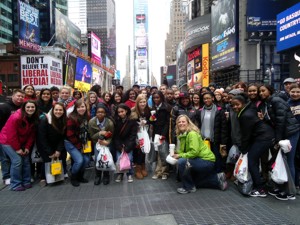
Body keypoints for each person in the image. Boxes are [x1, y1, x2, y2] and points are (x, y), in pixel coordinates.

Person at [259, 84, 300, 200]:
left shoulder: (276, 100)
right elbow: (276, 120)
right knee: (284, 160)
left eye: (263, 91)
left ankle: (290, 191)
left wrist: (278, 139)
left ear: (269, 91)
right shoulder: (269, 102)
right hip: (286, 133)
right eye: (260, 91)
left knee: (289, 160)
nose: (261, 93)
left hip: (290, 133)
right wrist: (265, 119)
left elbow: (281, 122)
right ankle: (283, 187)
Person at [231, 94, 274, 197]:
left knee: (251, 161)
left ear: (243, 104)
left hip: (263, 138)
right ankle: (260, 183)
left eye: (237, 104)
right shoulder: (247, 110)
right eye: (233, 105)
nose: (235, 107)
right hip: (265, 136)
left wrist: (243, 149)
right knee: (254, 161)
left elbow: (246, 135)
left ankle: (260, 189)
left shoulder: (245, 115)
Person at [172, 115, 227, 194]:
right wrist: (176, 154)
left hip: (207, 161)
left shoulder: (192, 134)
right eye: (179, 122)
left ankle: (189, 188)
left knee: (182, 162)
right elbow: (183, 152)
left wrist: (179, 156)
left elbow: (194, 152)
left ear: (188, 123)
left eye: (183, 121)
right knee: (193, 181)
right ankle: (217, 179)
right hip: (198, 160)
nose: (181, 123)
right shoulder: (182, 135)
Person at [0, 100, 39, 191]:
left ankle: (26, 181)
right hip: (7, 141)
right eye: (28, 107)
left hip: (21, 141)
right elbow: (11, 134)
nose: (30, 109)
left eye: (32, 107)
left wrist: (27, 147)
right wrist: (17, 149)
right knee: (17, 160)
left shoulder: (34, 118)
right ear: (24, 108)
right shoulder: (16, 117)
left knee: (26, 159)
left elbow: (31, 135)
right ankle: (15, 184)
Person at [36, 103, 67, 186]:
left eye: (60, 110)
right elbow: (42, 138)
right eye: (56, 110)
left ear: (64, 111)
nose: (58, 111)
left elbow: (62, 137)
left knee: (59, 158)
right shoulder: (45, 120)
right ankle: (43, 178)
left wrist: (58, 150)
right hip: (44, 145)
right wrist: (50, 152)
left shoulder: (63, 121)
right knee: (47, 161)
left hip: (57, 144)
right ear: (53, 110)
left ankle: (57, 176)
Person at [0, 89, 25, 185]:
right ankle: (6, 176)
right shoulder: (5, 107)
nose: (20, 98)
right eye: (18, 96)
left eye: (22, 97)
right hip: (4, 138)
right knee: (5, 158)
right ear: (13, 96)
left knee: (14, 158)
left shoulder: (23, 107)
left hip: (16, 137)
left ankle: (14, 175)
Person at [64, 99, 90, 187]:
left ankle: (80, 176)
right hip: (70, 142)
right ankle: (73, 177)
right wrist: (79, 146)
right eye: (78, 107)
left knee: (86, 160)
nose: (81, 109)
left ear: (86, 107)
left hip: (82, 142)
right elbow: (70, 135)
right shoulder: (71, 118)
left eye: (82, 107)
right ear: (75, 109)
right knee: (79, 160)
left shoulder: (86, 117)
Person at [88, 104, 114, 185]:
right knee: (97, 159)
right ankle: (98, 175)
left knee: (106, 159)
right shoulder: (91, 122)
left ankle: (106, 175)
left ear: (105, 113)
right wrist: (100, 133)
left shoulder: (109, 123)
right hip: (97, 143)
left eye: (102, 112)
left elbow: (111, 135)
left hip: (106, 143)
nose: (100, 113)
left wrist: (107, 142)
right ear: (96, 113)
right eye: (98, 112)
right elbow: (92, 136)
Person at [113, 104, 138, 183]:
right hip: (119, 143)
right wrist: (119, 146)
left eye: (122, 111)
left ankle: (129, 173)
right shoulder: (116, 121)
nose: (121, 114)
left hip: (128, 143)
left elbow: (133, 135)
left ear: (126, 111)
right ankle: (120, 173)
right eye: (119, 112)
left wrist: (127, 147)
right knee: (118, 158)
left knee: (129, 159)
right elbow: (115, 135)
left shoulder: (132, 121)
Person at [151, 91, 171, 180]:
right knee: (157, 152)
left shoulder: (166, 107)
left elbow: (167, 123)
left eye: (157, 97)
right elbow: (152, 122)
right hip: (155, 133)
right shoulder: (153, 108)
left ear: (161, 98)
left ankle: (165, 172)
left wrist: (163, 134)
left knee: (164, 152)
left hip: (163, 133)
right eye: (154, 98)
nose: (156, 99)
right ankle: (158, 171)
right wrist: (151, 119)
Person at [131, 95, 151, 179]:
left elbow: (151, 121)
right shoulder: (133, 111)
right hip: (136, 135)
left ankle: (143, 166)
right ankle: (138, 169)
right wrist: (138, 124)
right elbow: (130, 124)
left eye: (144, 102)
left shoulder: (148, 110)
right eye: (141, 102)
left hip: (145, 133)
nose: (143, 104)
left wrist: (147, 122)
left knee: (144, 150)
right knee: (138, 150)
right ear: (137, 103)